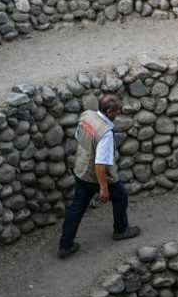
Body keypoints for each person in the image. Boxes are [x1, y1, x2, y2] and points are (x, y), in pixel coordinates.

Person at [57, 94, 140, 259]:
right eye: (118, 110)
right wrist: (103, 188)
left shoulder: (87, 115)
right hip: (96, 176)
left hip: (81, 170)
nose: (119, 113)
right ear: (109, 111)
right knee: (121, 196)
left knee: (77, 207)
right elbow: (100, 164)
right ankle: (121, 230)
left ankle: (65, 246)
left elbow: (78, 137)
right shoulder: (106, 133)